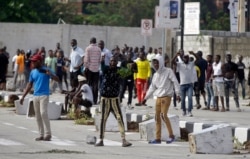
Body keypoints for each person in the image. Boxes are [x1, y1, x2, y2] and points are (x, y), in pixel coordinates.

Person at [20, 54, 59, 141]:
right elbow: (29, 85)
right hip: (35, 95)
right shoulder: (33, 72)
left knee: (43, 113)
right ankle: (41, 134)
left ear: (39, 61)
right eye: (32, 61)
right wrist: (23, 96)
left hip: (44, 95)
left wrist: (51, 75)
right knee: (37, 116)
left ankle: (48, 134)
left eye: (34, 61)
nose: (32, 63)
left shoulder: (47, 70)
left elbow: (57, 79)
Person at [142, 55, 180, 144]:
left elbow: (175, 81)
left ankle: (171, 136)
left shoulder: (168, 71)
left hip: (166, 96)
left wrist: (178, 94)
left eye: (157, 63)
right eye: (154, 63)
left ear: (161, 63)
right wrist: (145, 98)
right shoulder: (155, 75)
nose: (155, 65)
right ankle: (157, 138)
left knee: (163, 115)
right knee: (157, 117)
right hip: (158, 97)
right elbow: (152, 87)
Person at [95, 57, 132, 147]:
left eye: (114, 61)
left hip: (115, 99)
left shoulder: (119, 70)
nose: (113, 62)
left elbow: (128, 73)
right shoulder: (106, 69)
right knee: (103, 119)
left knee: (119, 118)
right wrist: (102, 61)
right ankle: (101, 140)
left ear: (116, 63)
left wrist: (130, 67)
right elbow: (103, 67)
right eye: (111, 61)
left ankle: (123, 140)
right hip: (105, 99)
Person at [172, 51, 197, 117]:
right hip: (182, 84)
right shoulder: (180, 64)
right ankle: (183, 111)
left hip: (190, 84)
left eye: (186, 58)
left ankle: (189, 111)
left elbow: (198, 59)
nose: (185, 59)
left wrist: (193, 53)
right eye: (184, 58)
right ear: (182, 58)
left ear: (188, 58)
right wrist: (176, 55)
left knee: (190, 97)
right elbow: (172, 62)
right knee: (183, 99)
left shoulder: (191, 64)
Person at [84, 37, 102, 104]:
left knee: (88, 84)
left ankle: (88, 99)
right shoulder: (99, 49)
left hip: (89, 69)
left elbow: (86, 60)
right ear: (95, 42)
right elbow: (100, 60)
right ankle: (95, 100)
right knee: (95, 85)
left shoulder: (88, 48)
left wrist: (86, 67)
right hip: (96, 69)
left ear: (90, 41)